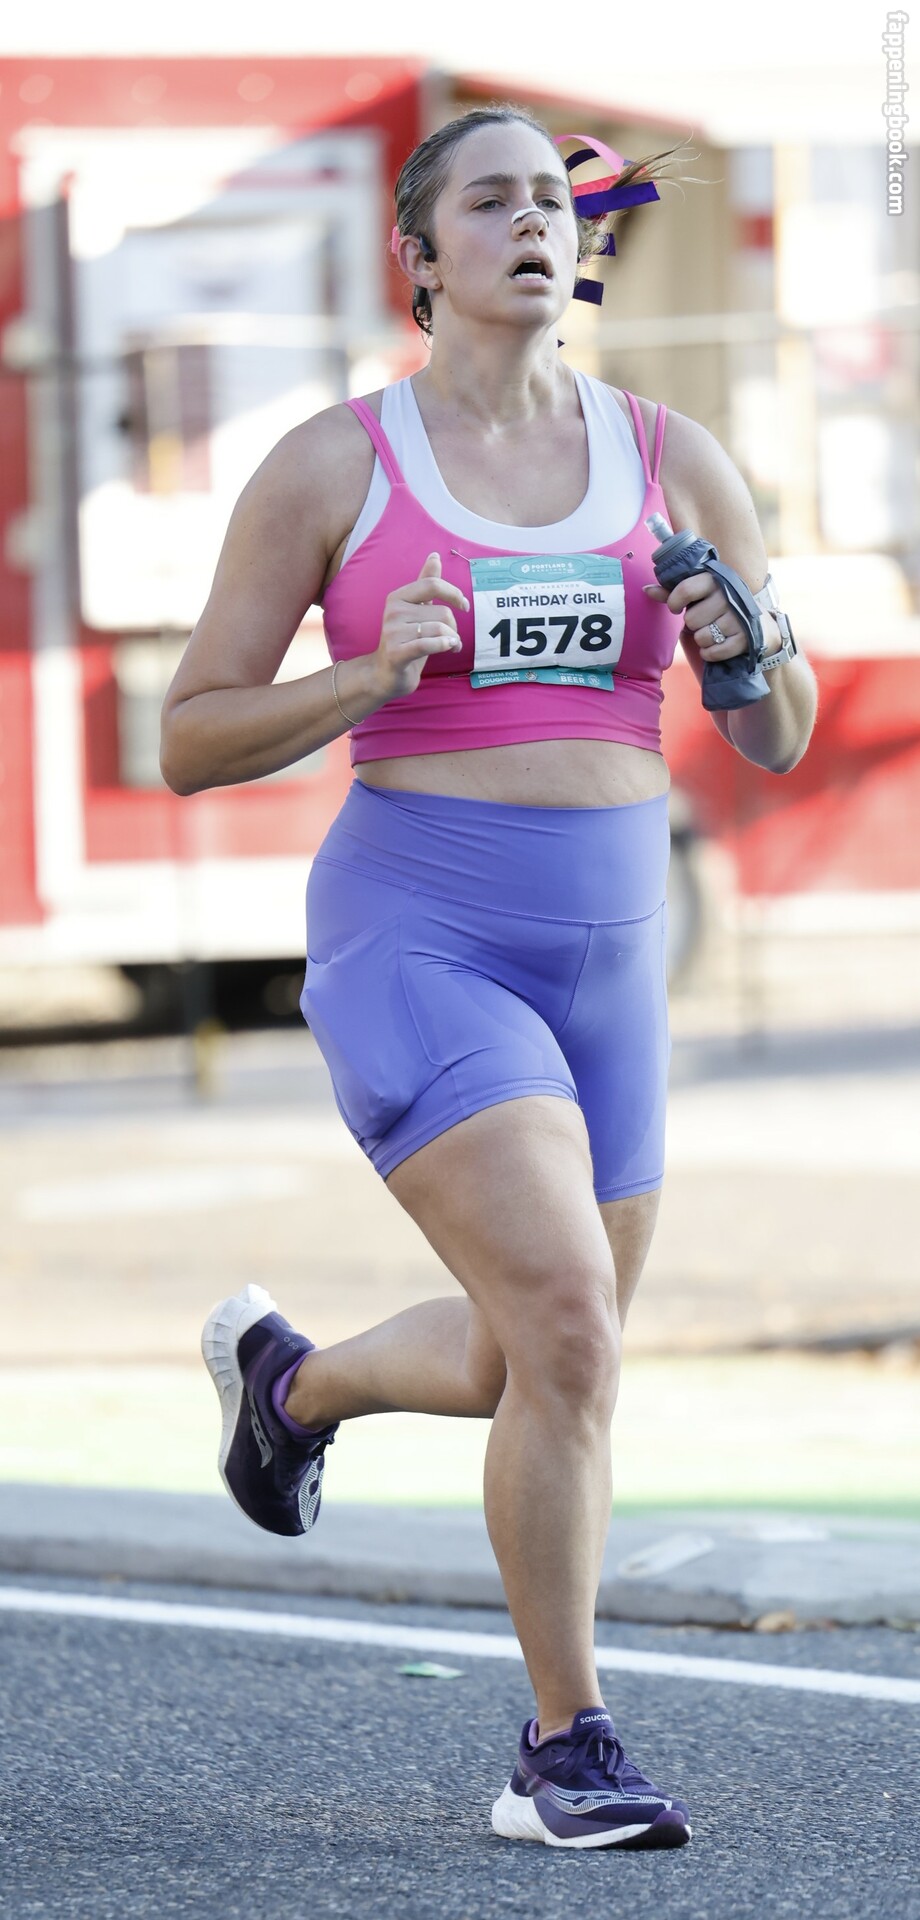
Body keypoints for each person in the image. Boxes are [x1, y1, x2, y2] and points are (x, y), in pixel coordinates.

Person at [162, 103, 817, 1852]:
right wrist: (362, 679)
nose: (534, 222)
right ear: (420, 254)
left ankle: (293, 1390)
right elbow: (191, 736)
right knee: (571, 1323)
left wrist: (746, 650)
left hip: (613, 953)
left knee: (550, 1358)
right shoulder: (333, 468)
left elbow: (779, 729)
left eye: (552, 200)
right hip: (420, 935)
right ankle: (564, 1747)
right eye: (492, 201)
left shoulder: (673, 455)